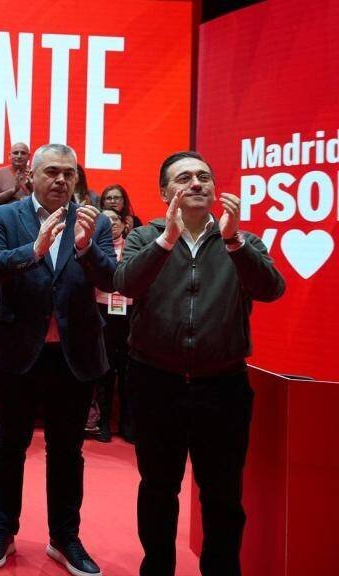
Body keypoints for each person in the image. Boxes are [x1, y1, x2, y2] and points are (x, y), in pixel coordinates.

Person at [114, 151, 285, 576]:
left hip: (222, 386)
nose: (196, 183)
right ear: (164, 192)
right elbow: (126, 283)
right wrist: (167, 240)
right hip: (155, 382)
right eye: (184, 177)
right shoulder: (145, 236)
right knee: (158, 488)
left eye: (204, 177)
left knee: (223, 495)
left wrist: (234, 243)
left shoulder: (241, 240)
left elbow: (271, 289)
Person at [0, 143, 115, 576]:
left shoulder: (95, 220)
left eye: (68, 173)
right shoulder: (4, 216)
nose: (60, 180)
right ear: (30, 177)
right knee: (9, 445)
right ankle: (1, 531)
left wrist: (87, 248)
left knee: (68, 451)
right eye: (52, 171)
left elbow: (112, 278)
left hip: (74, 354)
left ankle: (64, 538)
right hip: (18, 350)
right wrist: (33, 251)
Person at [86, 209, 134, 443]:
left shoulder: (134, 245)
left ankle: (127, 424)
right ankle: (103, 421)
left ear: (124, 224)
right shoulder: (93, 248)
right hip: (101, 310)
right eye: (105, 220)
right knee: (104, 369)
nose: (111, 223)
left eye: (115, 219)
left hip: (129, 313)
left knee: (128, 370)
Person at [0, 142, 31, 207]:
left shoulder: (36, 173)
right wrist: (12, 190)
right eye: (15, 153)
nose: (19, 156)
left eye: (23, 153)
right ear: (9, 155)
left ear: (29, 156)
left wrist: (32, 188)